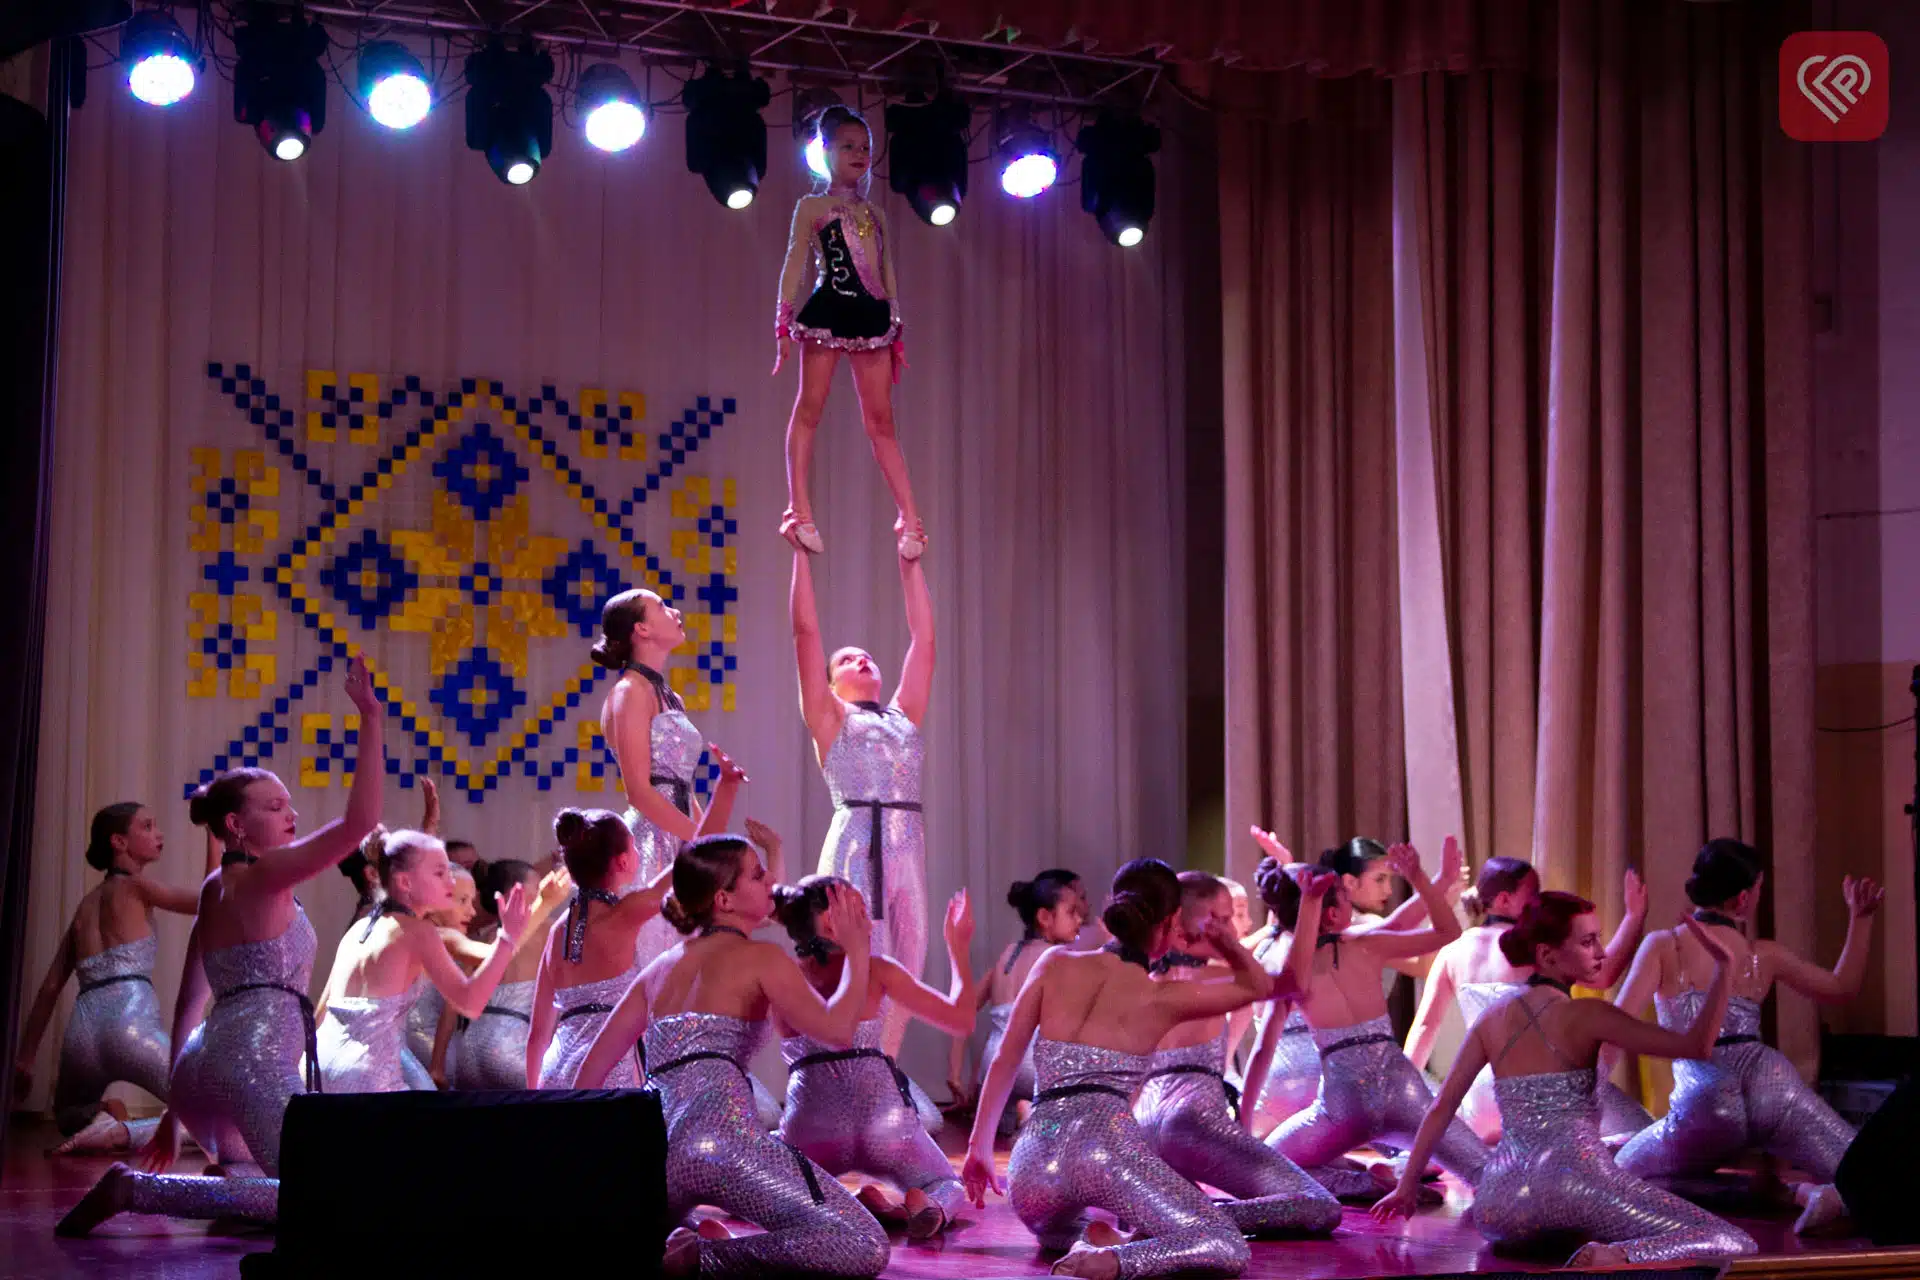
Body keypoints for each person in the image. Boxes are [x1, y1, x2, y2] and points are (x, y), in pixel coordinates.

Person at [56, 656, 384, 1235]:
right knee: (327, 1199)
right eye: (275, 808)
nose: (292, 815)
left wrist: (173, 1114)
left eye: (289, 805)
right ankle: (139, 1189)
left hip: (201, 1066)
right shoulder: (264, 875)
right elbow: (358, 825)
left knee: (250, 1175)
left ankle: (223, 1181)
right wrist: (371, 718)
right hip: (251, 1067)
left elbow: (189, 1001)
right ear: (235, 825)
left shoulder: (214, 888)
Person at [1373, 893, 1757, 1267]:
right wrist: (1724, 969)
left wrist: (1406, 1187)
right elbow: (1696, 1046)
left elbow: (1441, 1108)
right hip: (1578, 1191)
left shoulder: (1491, 1020)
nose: (1602, 953)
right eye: (1588, 942)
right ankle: (1616, 1257)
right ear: (1547, 955)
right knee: (1729, 1239)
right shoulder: (1589, 1015)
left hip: (1500, 1206)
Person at [576, 837, 890, 1277]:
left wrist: (603, 1170)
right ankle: (706, 1257)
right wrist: (857, 950)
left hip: (653, 1156)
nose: (771, 880)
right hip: (725, 1144)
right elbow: (838, 1032)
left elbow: (587, 1077)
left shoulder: (657, 969)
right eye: (758, 875)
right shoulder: (762, 958)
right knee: (864, 1244)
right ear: (724, 899)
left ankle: (688, 1243)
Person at [962, 858, 1273, 1279]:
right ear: (1171, 924)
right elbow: (1259, 985)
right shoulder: (1163, 996)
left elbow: (1005, 1059)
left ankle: (1100, 1242)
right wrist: (1224, 941)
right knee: (1224, 1243)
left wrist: (979, 1147)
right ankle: (1116, 1261)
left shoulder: (1054, 962)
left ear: (1115, 905)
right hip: (1102, 1152)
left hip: (1031, 1173)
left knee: (1082, 1228)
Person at [1609, 839, 1882, 1233]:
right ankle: (1812, 1195)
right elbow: (1842, 988)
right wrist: (1861, 918)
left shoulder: (1664, 946)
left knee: (1622, 1175)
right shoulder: (1762, 953)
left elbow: (1617, 1028)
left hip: (1705, 1099)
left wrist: (1585, 1097)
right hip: (1773, 1084)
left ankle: (1788, 1194)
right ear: (1741, 899)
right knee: (1868, 1169)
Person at [1265, 844, 1487, 1193]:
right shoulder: (1365, 943)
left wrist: (1438, 880)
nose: (1351, 906)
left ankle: (1367, 1183)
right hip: (1402, 1093)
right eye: (1344, 898)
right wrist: (1422, 879)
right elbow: (1447, 932)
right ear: (1331, 912)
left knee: (1269, 1167)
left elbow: (1403, 924)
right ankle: (1391, 1177)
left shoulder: (1293, 965)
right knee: (1485, 1171)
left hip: (1344, 1104)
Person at [1135, 872, 1342, 1237]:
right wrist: (1310, 904)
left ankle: (1177, 1214)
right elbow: (1293, 982)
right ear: (1188, 923)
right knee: (1318, 1206)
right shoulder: (1217, 977)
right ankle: (1198, 1218)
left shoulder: (1144, 980)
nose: (1233, 930)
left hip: (1144, 1125)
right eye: (1223, 919)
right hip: (1192, 1123)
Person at [788, 544, 934, 1056]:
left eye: (866, 655)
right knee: (860, 960)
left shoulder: (902, 716)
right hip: (855, 847)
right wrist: (800, 556)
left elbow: (924, 639)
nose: (862, 659)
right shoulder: (831, 717)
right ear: (830, 685)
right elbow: (805, 634)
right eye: (847, 660)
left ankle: (884, 1064)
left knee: (909, 964)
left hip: (907, 849)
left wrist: (909, 565)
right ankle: (850, 1063)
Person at [773, 876, 976, 1237]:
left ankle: (838, 1204)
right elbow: (962, 1021)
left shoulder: (780, 975)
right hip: (884, 1124)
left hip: (811, 1128)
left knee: (773, 1175)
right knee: (947, 1185)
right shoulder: (877, 969)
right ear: (831, 921)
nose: (870, 919)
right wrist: (958, 948)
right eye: (860, 909)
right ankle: (930, 1205)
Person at [1403, 855, 1650, 1143]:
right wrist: (1634, 917)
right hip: (1538, 1088)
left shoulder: (1451, 951)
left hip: (1480, 1098)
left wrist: (1405, 1095)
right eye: (1533, 893)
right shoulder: (1529, 947)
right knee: (1639, 1134)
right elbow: (1603, 975)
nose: (1539, 900)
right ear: (1504, 900)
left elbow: (1425, 1028)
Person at [14, 804, 215, 1154]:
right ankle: (123, 1133)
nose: (159, 834)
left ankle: (105, 1119)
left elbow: (50, 988)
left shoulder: (85, 906)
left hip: (81, 1034)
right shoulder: (136, 887)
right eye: (147, 826)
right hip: (130, 1026)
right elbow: (211, 902)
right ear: (119, 841)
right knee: (211, 1112)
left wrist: (26, 1060)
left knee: (72, 1117)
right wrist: (214, 836)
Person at [774, 104, 925, 560]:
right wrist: (782, 321)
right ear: (825, 152)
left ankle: (911, 519)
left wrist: (896, 328)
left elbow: (887, 271)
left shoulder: (876, 214)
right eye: (848, 147)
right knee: (809, 410)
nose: (859, 154)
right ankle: (800, 510)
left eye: (865, 147)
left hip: (872, 316)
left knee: (881, 422)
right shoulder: (812, 207)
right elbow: (794, 264)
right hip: (829, 309)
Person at [313, 830, 530, 1093]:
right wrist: (508, 939)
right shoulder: (419, 932)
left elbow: (320, 1014)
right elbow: (471, 1003)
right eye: (440, 873)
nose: (450, 881)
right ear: (405, 882)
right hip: (367, 1076)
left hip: (321, 1067)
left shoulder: (358, 929)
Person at [592, 587, 738, 971]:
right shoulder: (629, 691)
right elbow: (639, 791)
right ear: (641, 629)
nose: (674, 611)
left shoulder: (670, 696)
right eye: (660, 606)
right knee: (656, 962)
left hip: (680, 837)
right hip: (650, 844)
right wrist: (698, 842)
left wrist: (710, 842)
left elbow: (682, 785)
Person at [948, 869, 1086, 1125]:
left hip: (994, 1066)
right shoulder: (1058, 958)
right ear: (1044, 917)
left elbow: (961, 1013)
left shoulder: (1008, 955)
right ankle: (1031, 1112)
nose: (1079, 919)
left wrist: (955, 1073)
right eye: (1071, 912)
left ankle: (1015, 1114)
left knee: (1004, 1123)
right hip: (1032, 1066)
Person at [451, 859, 572, 1090]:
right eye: (537, 887)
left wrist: (438, 1063)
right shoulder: (550, 929)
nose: (545, 890)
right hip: (508, 1047)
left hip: (468, 1047)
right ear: (515, 893)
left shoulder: (485, 938)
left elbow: (452, 1007)